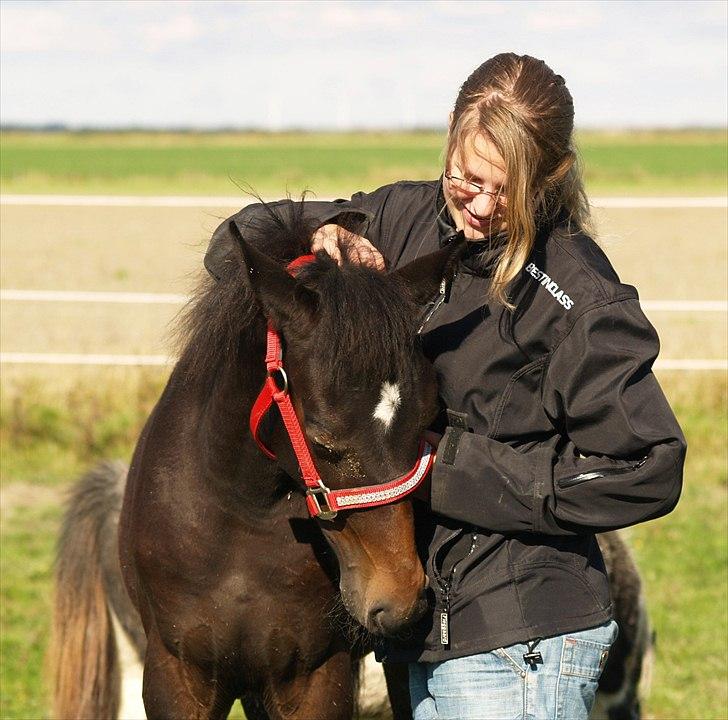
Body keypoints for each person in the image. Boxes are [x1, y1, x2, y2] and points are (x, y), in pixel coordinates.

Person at [204, 53, 685, 720]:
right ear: (449, 140)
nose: (483, 206)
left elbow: (649, 466)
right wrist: (325, 236)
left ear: (553, 177)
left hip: (522, 647)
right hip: (424, 638)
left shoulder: (577, 296)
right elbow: (236, 245)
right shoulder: (404, 216)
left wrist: (448, 468)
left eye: (507, 189)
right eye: (467, 178)